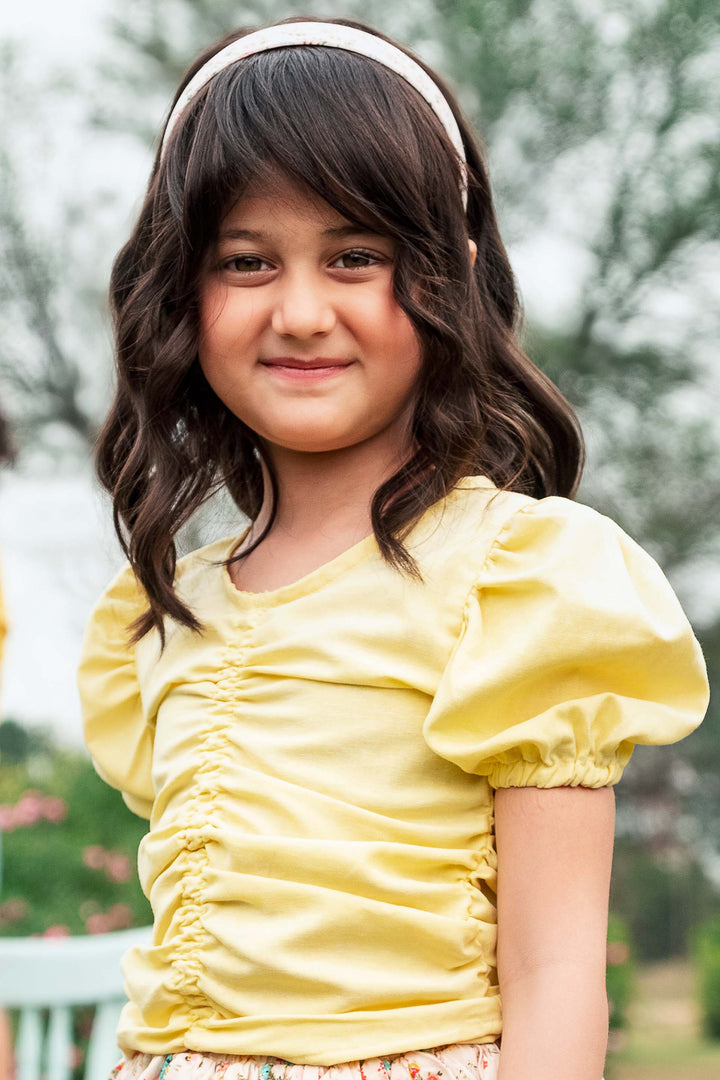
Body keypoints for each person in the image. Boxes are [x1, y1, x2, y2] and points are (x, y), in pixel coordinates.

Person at [76, 16, 710, 1080]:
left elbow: (558, 980)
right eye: (247, 260)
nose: (303, 310)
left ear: (448, 272)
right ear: (182, 288)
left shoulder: (520, 584)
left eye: (355, 256)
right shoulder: (171, 608)